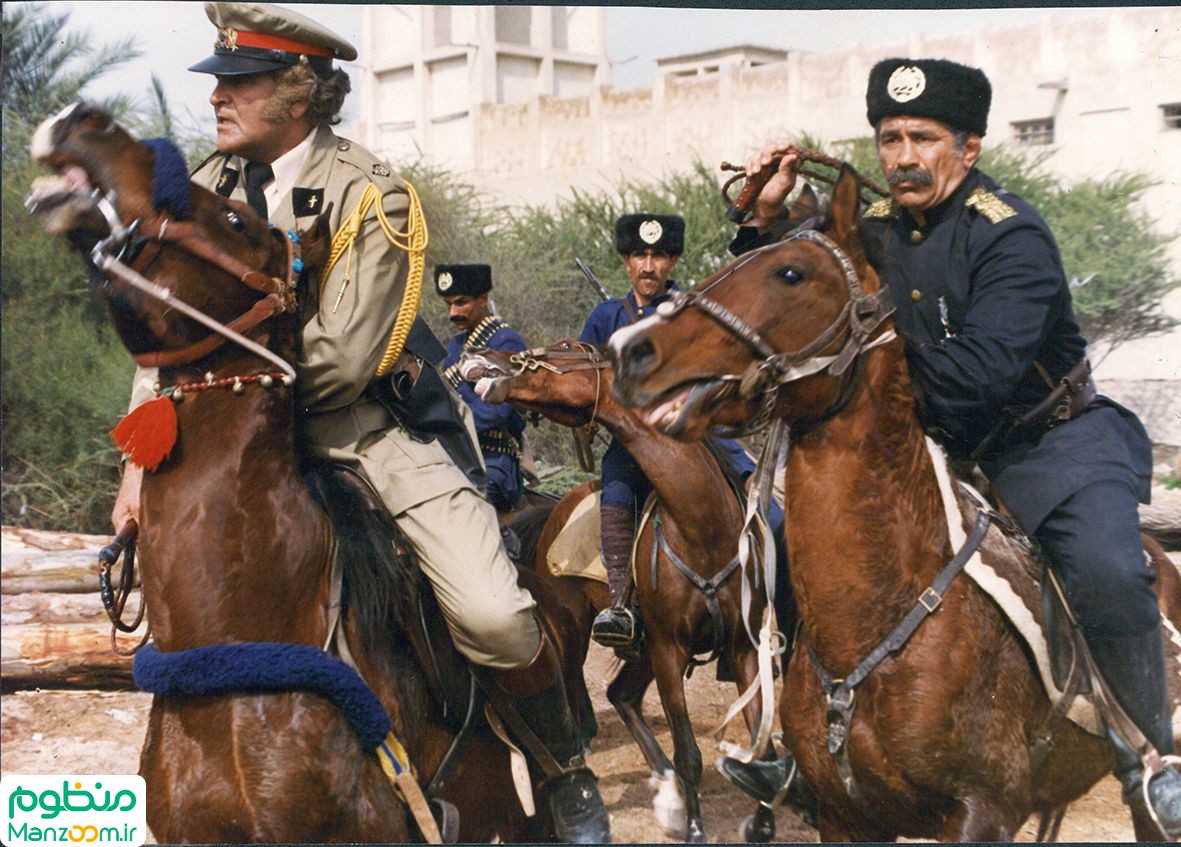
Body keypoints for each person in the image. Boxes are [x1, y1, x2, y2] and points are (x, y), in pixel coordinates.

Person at [109, 4, 608, 841]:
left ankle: (563, 766)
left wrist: (223, 398)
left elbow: (344, 356)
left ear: (299, 95)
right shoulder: (207, 190)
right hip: (222, 442)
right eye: (219, 81)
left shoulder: (373, 194)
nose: (218, 98)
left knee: (492, 612)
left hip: (360, 434)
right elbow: (168, 331)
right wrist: (139, 455)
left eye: (241, 82)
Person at [717, 57, 1181, 834]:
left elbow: (972, 381)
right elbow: (796, 287)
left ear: (967, 149)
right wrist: (768, 216)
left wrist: (866, 340)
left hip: (1050, 445)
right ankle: (801, 745)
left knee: (1102, 566)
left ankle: (1152, 761)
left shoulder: (1012, 236)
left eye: (922, 138)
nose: (901, 156)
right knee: (803, 554)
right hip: (933, 450)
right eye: (888, 137)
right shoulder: (879, 234)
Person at [579, 214, 773, 653]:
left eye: (659, 257)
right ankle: (620, 605)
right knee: (615, 491)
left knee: (761, 500)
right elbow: (586, 381)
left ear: (673, 261)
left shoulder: (692, 309)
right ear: (627, 261)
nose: (649, 267)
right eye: (640, 256)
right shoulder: (606, 316)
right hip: (632, 441)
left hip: (695, 431)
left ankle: (764, 609)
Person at [436, 264, 529, 514]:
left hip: (493, 459)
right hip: (458, 455)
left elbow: (494, 413)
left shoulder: (504, 341)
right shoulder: (456, 346)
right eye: (448, 304)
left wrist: (446, 425)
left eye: (461, 302)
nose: (453, 312)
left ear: (483, 299)